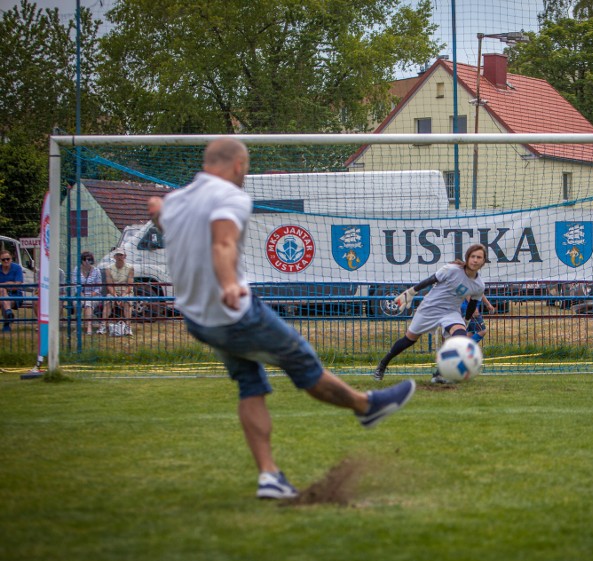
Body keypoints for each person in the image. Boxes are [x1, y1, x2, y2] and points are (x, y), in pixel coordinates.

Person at [147, 137, 415, 501]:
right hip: (235, 312)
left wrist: (157, 213)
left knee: (250, 383)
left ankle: (269, 476)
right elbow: (222, 243)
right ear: (238, 166)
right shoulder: (231, 196)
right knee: (303, 363)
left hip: (198, 319)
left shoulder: (177, 201)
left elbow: (172, 224)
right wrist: (228, 283)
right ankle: (367, 407)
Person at [373, 243, 488, 384]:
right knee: (409, 339)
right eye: (473, 256)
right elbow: (431, 280)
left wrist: (466, 321)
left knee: (460, 338)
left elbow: (472, 305)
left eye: (479, 257)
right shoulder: (451, 270)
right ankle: (382, 365)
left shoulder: (479, 285)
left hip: (451, 312)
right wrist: (411, 292)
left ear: (483, 261)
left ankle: (440, 374)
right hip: (429, 308)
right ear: (467, 257)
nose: (475, 260)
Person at [100, 247, 135, 336]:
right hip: (113, 291)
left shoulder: (130, 268)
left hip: (126, 291)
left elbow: (130, 285)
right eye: (117, 255)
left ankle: (128, 327)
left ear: (125, 256)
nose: (119, 257)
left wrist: (123, 295)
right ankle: (103, 325)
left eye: (121, 255)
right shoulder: (108, 268)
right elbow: (109, 285)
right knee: (108, 301)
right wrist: (115, 295)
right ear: (114, 257)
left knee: (127, 301)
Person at [72, 251, 103, 335]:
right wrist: (81, 295)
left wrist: (91, 295)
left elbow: (99, 286)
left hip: (94, 295)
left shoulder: (96, 271)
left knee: (88, 303)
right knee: (76, 303)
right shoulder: (76, 270)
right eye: (84, 259)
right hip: (80, 295)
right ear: (81, 260)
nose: (87, 262)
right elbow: (75, 285)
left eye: (89, 260)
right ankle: (77, 326)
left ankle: (89, 327)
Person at [0, 251, 24, 332]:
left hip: (16, 295)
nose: (6, 261)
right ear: (0, 260)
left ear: (11, 259)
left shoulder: (17, 268)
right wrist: (9, 284)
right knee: (2, 295)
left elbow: (17, 285)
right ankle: (8, 313)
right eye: (3, 259)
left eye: (8, 259)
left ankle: (6, 323)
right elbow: (14, 284)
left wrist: (3, 285)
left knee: (2, 296)